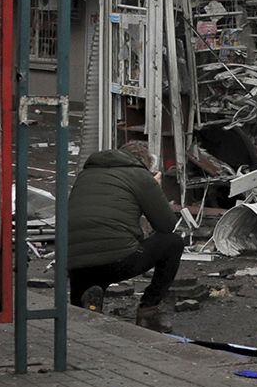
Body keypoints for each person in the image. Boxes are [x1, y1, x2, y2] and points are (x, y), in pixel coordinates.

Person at [67, 141, 184, 332]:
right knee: (173, 243)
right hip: (115, 261)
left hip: (74, 264)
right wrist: (154, 189)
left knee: (99, 249)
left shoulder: (86, 175)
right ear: (146, 163)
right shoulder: (140, 176)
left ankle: (87, 302)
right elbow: (166, 225)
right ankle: (149, 311)